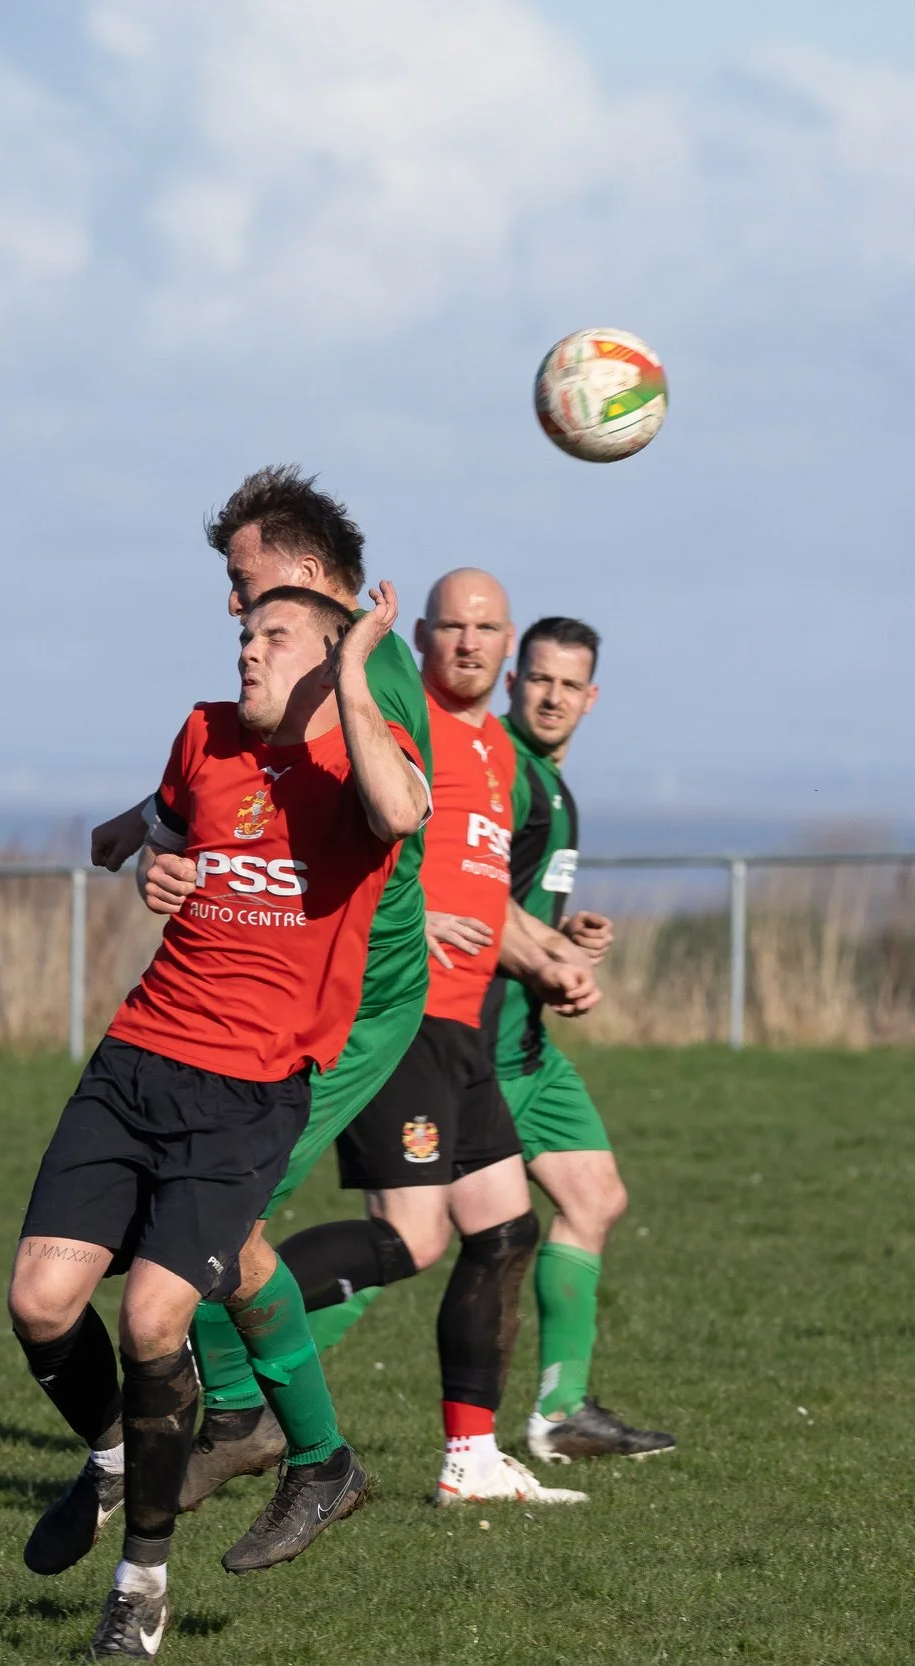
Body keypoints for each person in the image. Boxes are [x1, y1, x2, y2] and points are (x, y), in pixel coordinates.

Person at [9, 585, 429, 1660]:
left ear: (328, 655)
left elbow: (400, 815)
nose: (247, 651)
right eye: (242, 634)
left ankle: (140, 1585)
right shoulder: (201, 732)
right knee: (42, 1302)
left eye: (271, 637)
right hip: (137, 1060)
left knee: (154, 1320)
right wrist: (150, 861)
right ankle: (117, 1451)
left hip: (248, 1090)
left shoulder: (361, 761)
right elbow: (164, 828)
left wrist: (354, 672)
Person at [91, 466, 438, 1510]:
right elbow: (257, 792)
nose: (233, 607)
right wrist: (154, 829)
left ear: (306, 577)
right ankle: (243, 1417)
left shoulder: (361, 677)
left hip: (345, 1003)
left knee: (213, 1216)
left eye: (243, 582)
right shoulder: (324, 679)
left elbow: (389, 812)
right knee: (205, 1219)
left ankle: (257, 1427)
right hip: (290, 995)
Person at [273, 568, 595, 1507]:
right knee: (411, 1239)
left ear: (508, 641)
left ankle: (471, 1460)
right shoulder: (404, 722)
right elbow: (361, 849)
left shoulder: (502, 752)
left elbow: (482, 898)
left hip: (465, 1028)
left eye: (486, 627)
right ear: (420, 634)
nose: (469, 642)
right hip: (403, 1014)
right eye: (451, 625)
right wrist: (412, 928)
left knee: (505, 1230)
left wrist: (552, 961)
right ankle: (224, 1331)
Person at [484, 617, 675, 1463]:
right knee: (407, 1239)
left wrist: (567, 941)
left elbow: (521, 906)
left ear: (591, 698)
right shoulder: (499, 774)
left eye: (570, 685)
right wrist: (550, 957)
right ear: (511, 682)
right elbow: (467, 895)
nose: (553, 696)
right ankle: (235, 1382)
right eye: (539, 679)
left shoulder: (552, 788)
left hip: (530, 1046)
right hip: (477, 1050)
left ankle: (561, 1412)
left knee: (595, 1198)